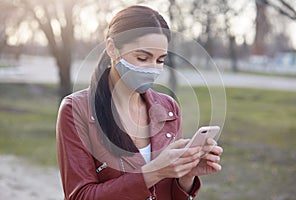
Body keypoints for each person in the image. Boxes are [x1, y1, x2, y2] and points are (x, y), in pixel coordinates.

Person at [56, 5, 223, 200]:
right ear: (112, 48)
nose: (153, 69)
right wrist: (154, 172)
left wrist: (186, 174)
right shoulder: (76, 110)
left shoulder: (168, 108)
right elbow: (80, 196)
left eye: (160, 60)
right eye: (142, 58)